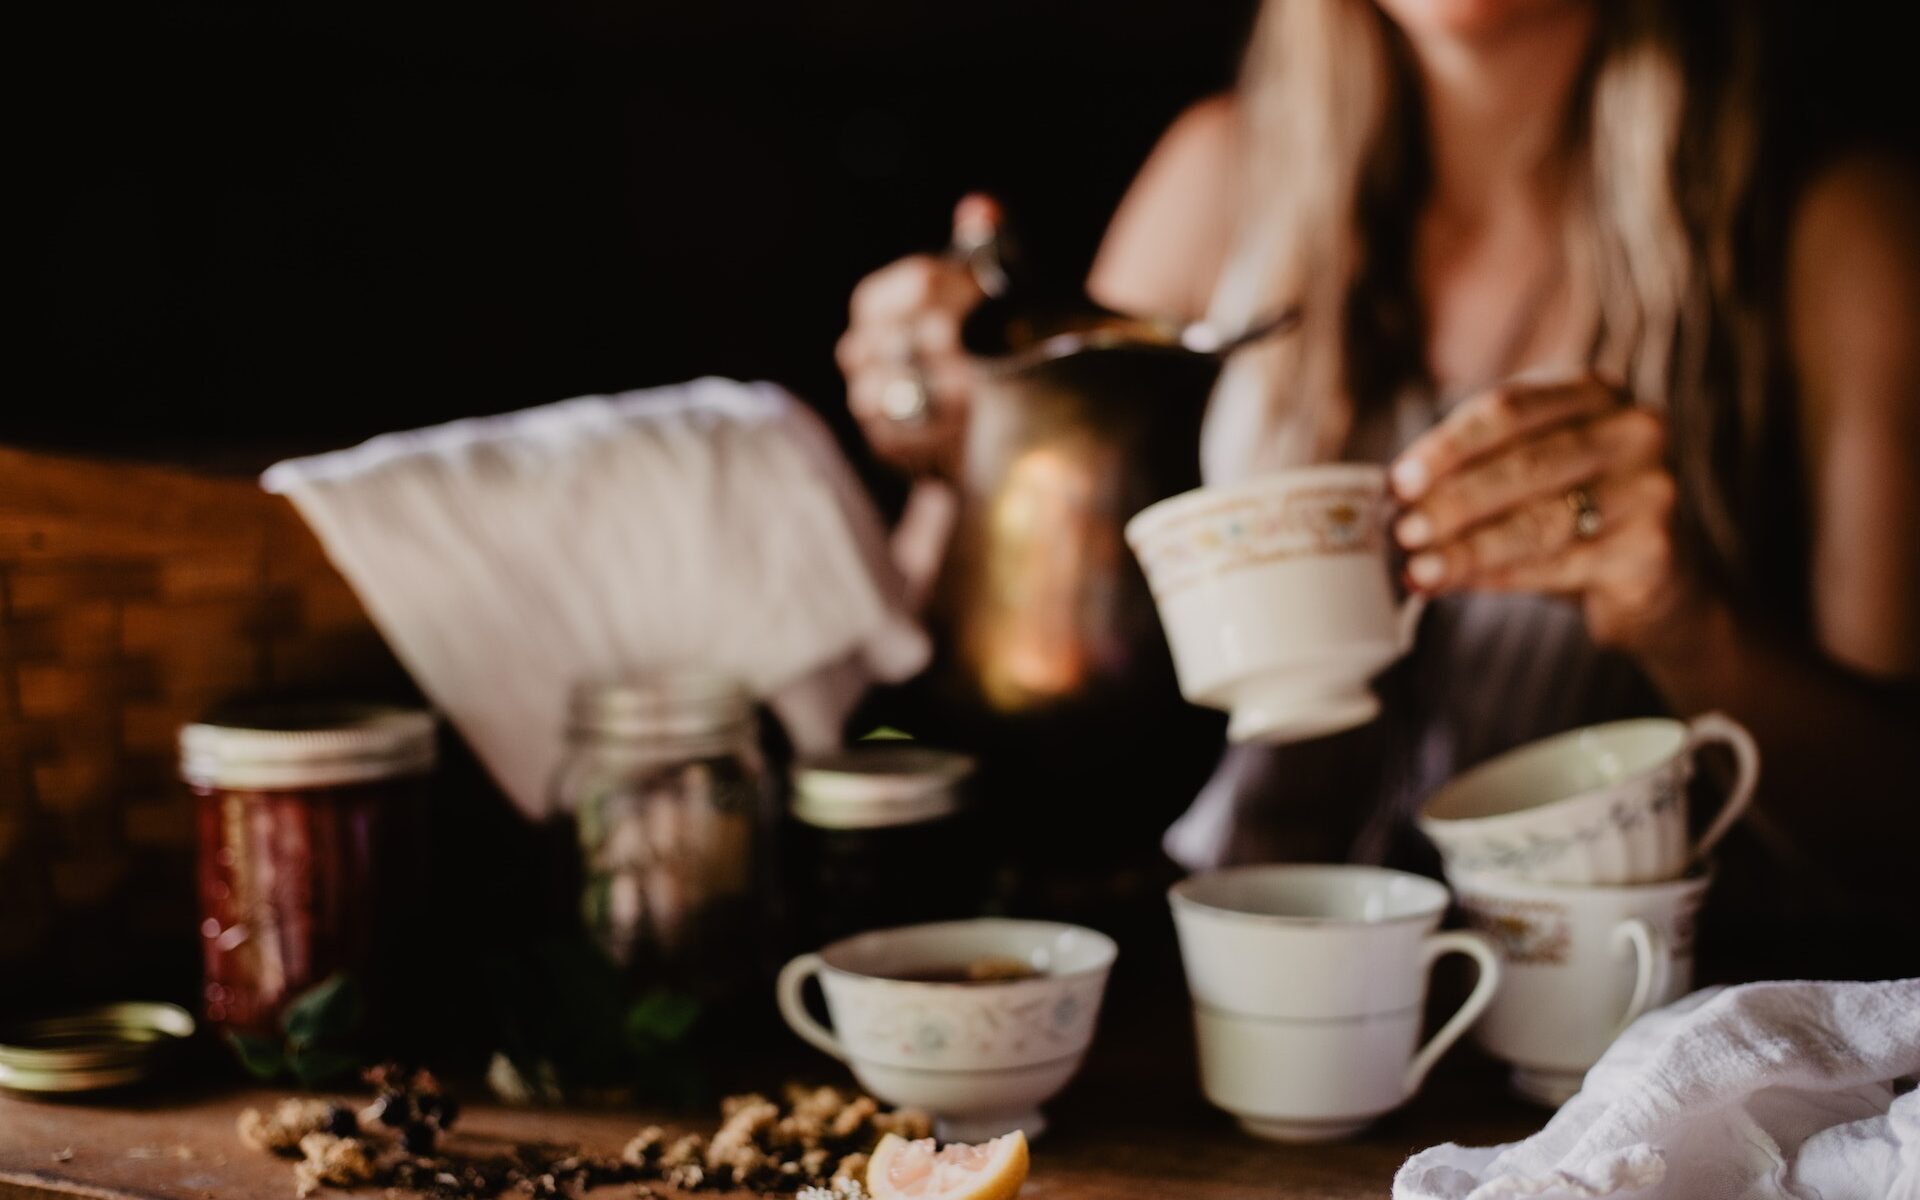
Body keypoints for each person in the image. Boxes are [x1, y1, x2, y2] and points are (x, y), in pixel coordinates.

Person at [835, 0, 1919, 971]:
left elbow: (1892, 849)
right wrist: (961, 446)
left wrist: (1689, 628)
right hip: (1215, 1006)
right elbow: (962, 656)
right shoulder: (1220, 179)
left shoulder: (1832, 235)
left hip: (1601, 1049)